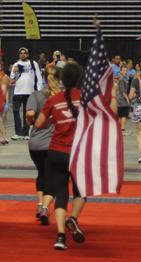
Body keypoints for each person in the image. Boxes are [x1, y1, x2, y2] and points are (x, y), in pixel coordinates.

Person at [33, 62, 87, 251]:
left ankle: (61, 236)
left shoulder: (54, 100)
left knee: (61, 193)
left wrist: (52, 118)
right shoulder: (86, 99)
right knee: (80, 192)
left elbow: (38, 124)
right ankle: (73, 218)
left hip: (56, 152)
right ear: (80, 79)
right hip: (78, 153)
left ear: (62, 80)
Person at [26, 66, 60, 226]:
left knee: (42, 173)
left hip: (35, 144)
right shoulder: (61, 97)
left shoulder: (36, 95)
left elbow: (30, 114)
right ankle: (46, 207)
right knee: (54, 177)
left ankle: (39, 205)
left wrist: (30, 122)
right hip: (54, 144)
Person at [10, 47, 43, 140]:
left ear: (28, 54)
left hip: (29, 92)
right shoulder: (16, 64)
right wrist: (16, 72)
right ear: (19, 55)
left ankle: (25, 133)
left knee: (27, 113)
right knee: (15, 111)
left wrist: (38, 91)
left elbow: (39, 77)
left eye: (24, 53)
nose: (23, 54)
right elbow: (12, 80)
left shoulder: (33, 63)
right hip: (17, 92)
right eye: (21, 53)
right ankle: (18, 133)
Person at [114, 61, 133, 137]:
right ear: (120, 71)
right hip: (122, 99)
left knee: (120, 115)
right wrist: (127, 99)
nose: (125, 71)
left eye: (126, 70)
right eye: (124, 70)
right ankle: (122, 130)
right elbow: (122, 91)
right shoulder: (121, 79)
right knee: (124, 115)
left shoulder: (121, 78)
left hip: (118, 99)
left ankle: (119, 130)